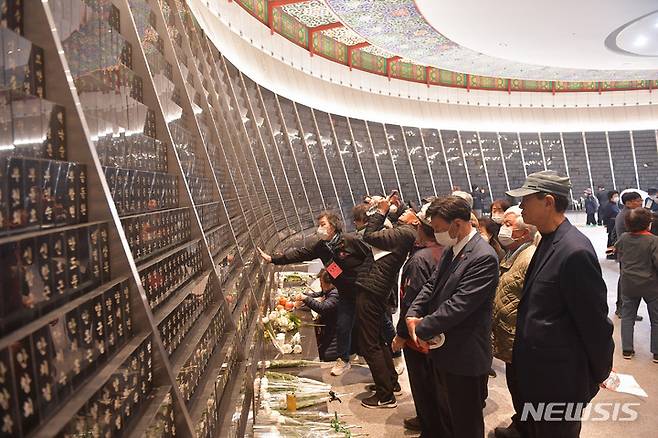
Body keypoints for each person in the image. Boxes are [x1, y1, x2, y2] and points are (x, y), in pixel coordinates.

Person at [506, 170, 614, 438]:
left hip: (559, 380)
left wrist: (599, 372)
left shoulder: (574, 250)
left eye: (526, 200)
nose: (521, 207)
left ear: (548, 201)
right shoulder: (547, 239)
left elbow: (594, 322)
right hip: (536, 374)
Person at [406, 196, 499, 438]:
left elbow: (459, 305)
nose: (436, 234)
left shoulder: (483, 256)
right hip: (445, 352)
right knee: (446, 416)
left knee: (465, 423)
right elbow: (431, 285)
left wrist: (422, 328)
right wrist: (413, 313)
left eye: (438, 228)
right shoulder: (452, 249)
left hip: (465, 355)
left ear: (457, 224)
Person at [257, 211, 370, 376]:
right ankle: (344, 360)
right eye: (319, 225)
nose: (319, 228)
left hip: (362, 290)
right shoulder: (322, 247)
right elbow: (300, 253)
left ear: (333, 226)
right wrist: (273, 259)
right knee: (343, 325)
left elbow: (369, 256)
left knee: (376, 323)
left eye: (323, 224)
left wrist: (368, 280)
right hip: (345, 292)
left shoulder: (349, 241)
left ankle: (392, 353)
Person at [355, 198, 417, 408]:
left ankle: (385, 395)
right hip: (375, 289)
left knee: (369, 343)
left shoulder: (405, 233)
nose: (404, 211)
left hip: (372, 290)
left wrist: (380, 212)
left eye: (408, 211)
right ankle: (390, 383)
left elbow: (370, 234)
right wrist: (389, 207)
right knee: (379, 339)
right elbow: (390, 224)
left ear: (415, 221)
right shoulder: (403, 230)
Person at [391, 203, 444, 434]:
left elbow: (410, 300)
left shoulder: (420, 259)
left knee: (423, 387)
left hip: (418, 334)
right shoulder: (447, 252)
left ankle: (428, 425)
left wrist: (402, 335)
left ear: (421, 230)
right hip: (437, 331)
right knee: (436, 386)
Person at [491, 206, 538, 438]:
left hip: (518, 337)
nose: (503, 228)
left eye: (509, 225)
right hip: (509, 336)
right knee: (517, 386)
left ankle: (526, 429)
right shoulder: (512, 252)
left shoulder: (528, 256)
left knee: (524, 388)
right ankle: (520, 424)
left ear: (524, 233)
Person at [614, 207, 658, 363]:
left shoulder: (624, 238)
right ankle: (656, 353)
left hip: (629, 284)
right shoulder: (653, 240)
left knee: (627, 317)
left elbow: (618, 252)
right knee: (656, 319)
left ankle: (627, 349)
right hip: (651, 285)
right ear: (648, 224)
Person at [295, 269, 339, 362]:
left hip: (336, 330)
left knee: (327, 355)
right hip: (330, 325)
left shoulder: (336, 294)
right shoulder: (332, 289)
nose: (320, 286)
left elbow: (323, 308)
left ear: (330, 283)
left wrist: (305, 298)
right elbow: (319, 294)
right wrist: (304, 295)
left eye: (321, 283)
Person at [614, 191, 644, 320]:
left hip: (627, 253)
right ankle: (623, 310)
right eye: (638, 200)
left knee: (625, 281)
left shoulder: (626, 213)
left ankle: (623, 309)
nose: (641, 202)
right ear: (628, 203)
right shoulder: (628, 215)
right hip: (629, 254)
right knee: (626, 283)